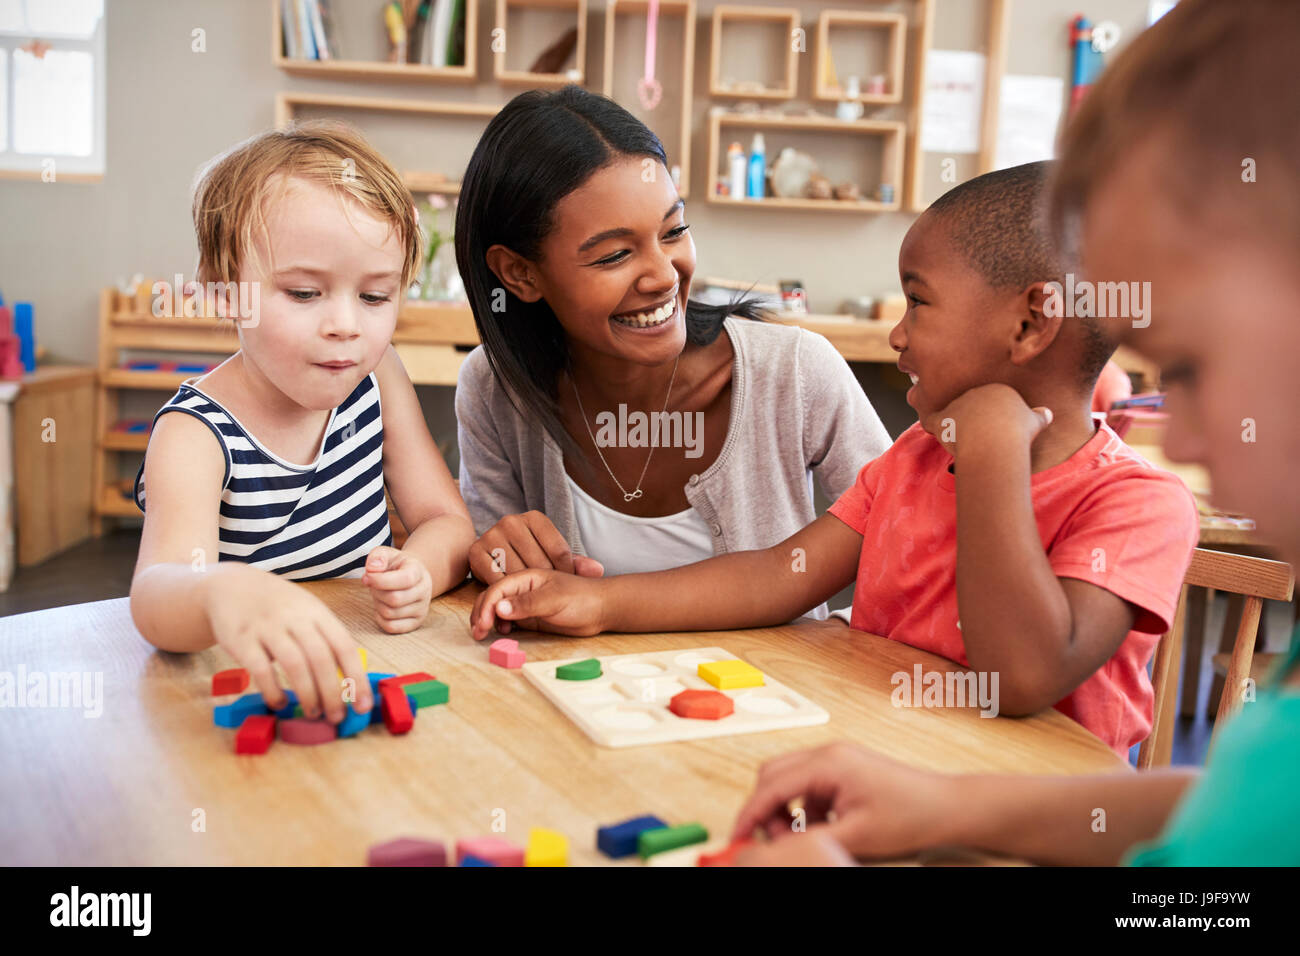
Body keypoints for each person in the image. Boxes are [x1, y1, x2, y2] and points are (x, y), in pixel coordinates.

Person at [468, 160, 1199, 757]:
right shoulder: (914, 459)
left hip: (1033, 821)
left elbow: (1018, 677)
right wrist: (600, 602)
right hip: (885, 767)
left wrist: (993, 455)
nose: (898, 337)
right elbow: (774, 575)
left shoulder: (1139, 506)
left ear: (1031, 322)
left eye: (918, 303)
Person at [454, 87, 889, 621]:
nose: (663, 275)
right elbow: (499, 593)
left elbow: (906, 542)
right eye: (614, 254)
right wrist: (491, 557)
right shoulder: (495, 389)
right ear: (520, 274)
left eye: (674, 230)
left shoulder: (795, 371)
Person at [131, 123, 474, 724]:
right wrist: (219, 592)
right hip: (244, 690)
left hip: (362, 671)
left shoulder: (379, 375)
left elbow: (446, 521)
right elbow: (155, 598)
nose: (346, 325)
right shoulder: (194, 433)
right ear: (223, 292)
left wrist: (419, 568)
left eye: (374, 298)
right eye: (305, 293)